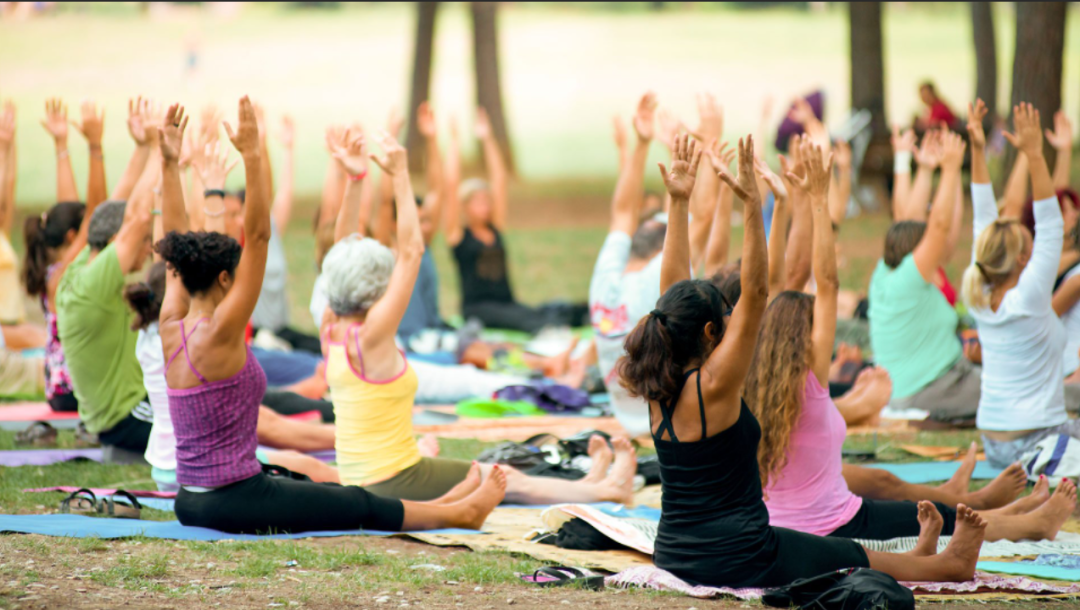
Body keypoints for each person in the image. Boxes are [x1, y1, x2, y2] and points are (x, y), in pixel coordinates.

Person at [619, 133, 986, 589]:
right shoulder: (714, 385)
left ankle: (921, 559)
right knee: (847, 552)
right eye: (726, 318)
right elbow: (756, 293)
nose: (737, 320)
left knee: (834, 547)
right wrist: (753, 206)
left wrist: (679, 201)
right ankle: (946, 568)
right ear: (711, 334)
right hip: (738, 555)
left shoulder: (663, 382)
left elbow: (670, 300)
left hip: (673, 553)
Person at [156, 99, 505, 535]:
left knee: (310, 477)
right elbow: (260, 235)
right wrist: (252, 155)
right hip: (234, 497)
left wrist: (168, 164)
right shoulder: (222, 332)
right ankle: (457, 514)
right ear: (226, 279)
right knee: (354, 500)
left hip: (192, 499)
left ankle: (445, 502)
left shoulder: (171, 328)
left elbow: (171, 241)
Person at [751, 136, 1076, 544]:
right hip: (832, 523)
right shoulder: (809, 381)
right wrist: (816, 199)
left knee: (894, 491)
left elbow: (777, 285)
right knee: (926, 521)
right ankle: (1028, 525)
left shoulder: (752, 388)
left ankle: (987, 506)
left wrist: (774, 205)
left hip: (811, 519)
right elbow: (825, 283)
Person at [321, 129, 635, 505]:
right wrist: (400, 174)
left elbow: (341, 250)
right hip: (392, 480)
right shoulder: (370, 335)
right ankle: (606, 491)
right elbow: (410, 251)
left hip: (367, 476)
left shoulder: (330, 327)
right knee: (504, 477)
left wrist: (356, 178)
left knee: (490, 471)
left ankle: (588, 485)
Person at [127, 261, 339, 491]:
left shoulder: (149, 334)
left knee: (293, 438)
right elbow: (267, 427)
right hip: (196, 471)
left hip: (167, 468)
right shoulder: (193, 344)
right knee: (310, 467)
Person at [965, 102, 1080, 467]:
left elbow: (984, 217)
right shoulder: (1028, 297)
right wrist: (1033, 154)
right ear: (1019, 260)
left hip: (995, 445)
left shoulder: (980, 295)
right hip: (1037, 441)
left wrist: (978, 150)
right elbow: (1049, 225)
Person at [55, 98, 162, 454]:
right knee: (207, 422)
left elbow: (112, 209)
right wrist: (164, 151)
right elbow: (136, 216)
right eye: (144, 244)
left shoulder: (84, 264)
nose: (148, 250)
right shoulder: (96, 283)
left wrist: (143, 148)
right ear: (119, 242)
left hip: (113, 416)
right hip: (125, 418)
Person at [868, 115, 977, 422]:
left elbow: (914, 221)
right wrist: (951, 168)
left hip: (938, 380)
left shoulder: (884, 272)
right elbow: (934, 225)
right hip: (932, 389)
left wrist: (930, 169)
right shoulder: (908, 279)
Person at [443, 109, 588, 334]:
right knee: (531, 322)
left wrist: (487, 138)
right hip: (478, 309)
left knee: (547, 311)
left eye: (487, 200)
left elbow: (499, 178)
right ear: (465, 207)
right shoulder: (458, 235)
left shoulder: (495, 227)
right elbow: (451, 185)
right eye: (478, 201)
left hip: (507, 303)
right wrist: (454, 141)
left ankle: (582, 314)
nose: (486, 205)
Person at [590, 93, 666, 438]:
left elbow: (622, 212)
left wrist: (641, 144)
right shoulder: (657, 280)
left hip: (626, 424)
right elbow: (705, 219)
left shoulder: (603, 283)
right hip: (670, 429)